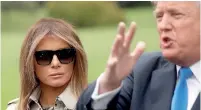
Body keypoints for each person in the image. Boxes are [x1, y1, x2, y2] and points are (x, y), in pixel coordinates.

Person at [76, 1, 200, 110]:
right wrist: (108, 84)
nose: (163, 25)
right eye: (159, 16)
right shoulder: (142, 71)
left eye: (176, 15)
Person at [7, 18, 88, 110]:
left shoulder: (92, 106)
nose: (55, 63)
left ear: (76, 59)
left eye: (65, 54)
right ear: (30, 63)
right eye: (44, 56)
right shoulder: (15, 108)